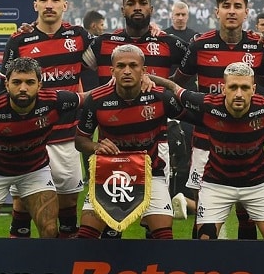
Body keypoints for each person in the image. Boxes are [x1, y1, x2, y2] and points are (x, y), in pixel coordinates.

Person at [151, 63, 264, 240]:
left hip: (259, 184)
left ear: (254, 89)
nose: (239, 93)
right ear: (224, 88)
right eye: (233, 87)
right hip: (217, 184)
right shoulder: (206, 104)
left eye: (245, 87)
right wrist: (147, 79)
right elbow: (174, 88)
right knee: (203, 241)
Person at [170, 0, 264, 236]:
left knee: (247, 214)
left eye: (237, 6)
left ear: (246, 12)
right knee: (205, 216)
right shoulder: (199, 45)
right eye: (226, 6)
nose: (231, 12)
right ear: (216, 12)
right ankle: (208, 271)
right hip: (206, 141)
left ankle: (246, 267)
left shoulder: (257, 45)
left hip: (245, 142)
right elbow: (179, 83)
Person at [0, 0, 94, 238]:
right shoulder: (19, 40)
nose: (49, 5)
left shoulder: (79, 37)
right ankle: (21, 269)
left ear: (65, 5)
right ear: (35, 5)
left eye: (54, 0)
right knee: (22, 205)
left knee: (68, 206)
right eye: (44, 0)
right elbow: (3, 89)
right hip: (30, 138)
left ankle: (62, 267)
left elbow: (111, 55)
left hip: (66, 139)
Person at [0, 57, 83, 238]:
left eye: (30, 82)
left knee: (50, 230)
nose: (23, 88)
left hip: (34, 170)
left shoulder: (55, 100)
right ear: (7, 84)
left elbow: (90, 98)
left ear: (39, 85)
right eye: (17, 82)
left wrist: (120, 85)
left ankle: (46, 266)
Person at [74, 45, 183, 240]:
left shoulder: (160, 97)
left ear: (144, 70)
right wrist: (96, 146)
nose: (126, 71)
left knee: (164, 239)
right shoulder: (96, 100)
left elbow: (194, 115)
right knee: (86, 238)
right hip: (110, 174)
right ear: (112, 71)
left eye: (133, 66)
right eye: (121, 66)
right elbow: (80, 140)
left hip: (150, 174)